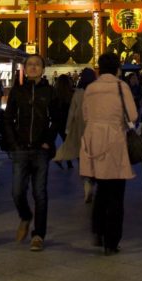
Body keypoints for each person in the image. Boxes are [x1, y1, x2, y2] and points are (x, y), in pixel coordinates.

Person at [80, 51, 137, 255]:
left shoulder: (90, 88)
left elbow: (85, 115)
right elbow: (132, 115)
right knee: (116, 193)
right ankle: (111, 241)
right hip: (114, 140)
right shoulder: (121, 87)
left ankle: (98, 229)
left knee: (102, 189)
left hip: (93, 139)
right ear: (117, 69)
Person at [4, 53, 56, 251]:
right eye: (30, 64)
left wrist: (48, 141)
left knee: (40, 193)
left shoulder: (50, 92)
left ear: (43, 69)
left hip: (41, 150)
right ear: (25, 69)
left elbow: (57, 119)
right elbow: (8, 118)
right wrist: (13, 143)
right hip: (21, 148)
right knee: (17, 191)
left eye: (37, 64)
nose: (33, 67)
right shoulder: (17, 91)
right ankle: (25, 216)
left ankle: (38, 235)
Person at [53, 66, 97, 202]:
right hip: (96, 128)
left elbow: (72, 111)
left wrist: (68, 128)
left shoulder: (78, 93)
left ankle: (87, 182)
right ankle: (94, 177)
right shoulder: (97, 92)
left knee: (82, 156)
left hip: (80, 127)